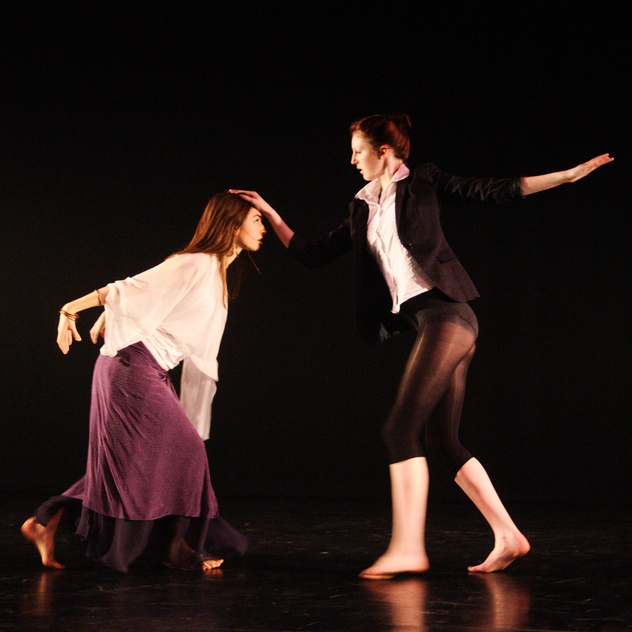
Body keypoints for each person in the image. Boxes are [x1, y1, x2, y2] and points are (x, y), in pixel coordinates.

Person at [230, 113, 614, 578]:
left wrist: (568, 176)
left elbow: (494, 189)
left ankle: (408, 548)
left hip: (448, 315)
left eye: (358, 151)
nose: (352, 160)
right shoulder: (361, 206)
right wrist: (270, 212)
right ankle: (509, 536)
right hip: (436, 323)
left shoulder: (424, 181)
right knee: (442, 441)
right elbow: (313, 254)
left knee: (399, 430)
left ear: (384, 151)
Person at [21, 191, 267, 573]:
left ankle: (46, 521)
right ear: (232, 225)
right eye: (256, 220)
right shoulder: (197, 263)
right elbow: (130, 289)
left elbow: (155, 306)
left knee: (130, 463)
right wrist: (71, 310)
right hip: (131, 370)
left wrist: (118, 316)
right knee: (186, 452)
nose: (262, 228)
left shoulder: (215, 272)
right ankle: (177, 547)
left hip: (146, 369)